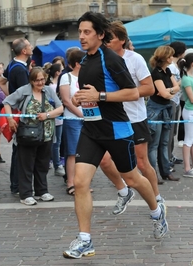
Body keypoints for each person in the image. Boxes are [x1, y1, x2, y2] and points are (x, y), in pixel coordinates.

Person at [63, 11, 168, 259]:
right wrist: (81, 98)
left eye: (87, 32)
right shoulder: (85, 61)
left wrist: (99, 96)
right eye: (80, 32)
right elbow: (91, 92)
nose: (82, 36)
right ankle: (85, 240)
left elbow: (139, 91)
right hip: (91, 130)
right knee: (80, 183)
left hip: (116, 130)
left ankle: (156, 211)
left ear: (100, 34)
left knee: (132, 178)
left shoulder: (111, 59)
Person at [100, 20, 163, 218]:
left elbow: (149, 89)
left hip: (134, 117)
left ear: (122, 40)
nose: (106, 41)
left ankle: (157, 198)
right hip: (110, 119)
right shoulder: (99, 59)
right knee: (104, 160)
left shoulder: (134, 59)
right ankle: (123, 191)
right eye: (104, 37)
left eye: (110, 37)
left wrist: (122, 94)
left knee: (142, 163)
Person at [3, 67, 63, 206]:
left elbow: (60, 108)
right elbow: (7, 102)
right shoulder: (24, 90)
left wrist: (47, 115)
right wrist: (10, 119)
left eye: (42, 79)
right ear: (31, 80)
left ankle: (42, 191)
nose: (40, 83)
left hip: (46, 133)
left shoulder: (49, 91)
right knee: (26, 165)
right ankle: (26, 194)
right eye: (37, 80)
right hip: (27, 134)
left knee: (42, 164)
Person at [0, 38, 32, 196]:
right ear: (24, 51)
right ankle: (17, 185)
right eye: (29, 45)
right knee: (20, 150)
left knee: (17, 149)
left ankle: (16, 184)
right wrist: (12, 99)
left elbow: (1, 81)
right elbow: (25, 93)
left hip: (15, 110)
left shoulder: (12, 64)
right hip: (20, 113)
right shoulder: (19, 69)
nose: (31, 47)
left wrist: (9, 97)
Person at [147, 45, 180, 182]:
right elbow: (164, 93)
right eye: (171, 55)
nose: (172, 57)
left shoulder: (167, 72)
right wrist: (170, 92)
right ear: (166, 57)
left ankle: (165, 171)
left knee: (165, 142)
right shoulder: (156, 73)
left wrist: (169, 91)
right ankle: (153, 173)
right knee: (154, 144)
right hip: (155, 109)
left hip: (166, 108)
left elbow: (175, 88)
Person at [59, 49, 85, 195]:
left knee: (84, 152)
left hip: (87, 118)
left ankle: (81, 182)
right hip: (73, 119)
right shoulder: (66, 78)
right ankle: (71, 182)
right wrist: (81, 114)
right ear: (77, 64)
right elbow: (66, 101)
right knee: (72, 152)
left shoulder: (86, 76)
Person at [168, 41, 187, 166]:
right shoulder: (172, 67)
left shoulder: (176, 65)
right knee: (169, 132)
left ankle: (170, 155)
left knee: (173, 131)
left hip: (175, 100)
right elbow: (174, 84)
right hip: (171, 100)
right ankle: (167, 157)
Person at [45, 62, 65, 176]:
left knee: (57, 142)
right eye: (62, 70)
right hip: (54, 117)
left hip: (59, 117)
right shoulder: (52, 86)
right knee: (55, 142)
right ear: (58, 73)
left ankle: (54, 162)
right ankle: (56, 164)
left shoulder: (58, 84)